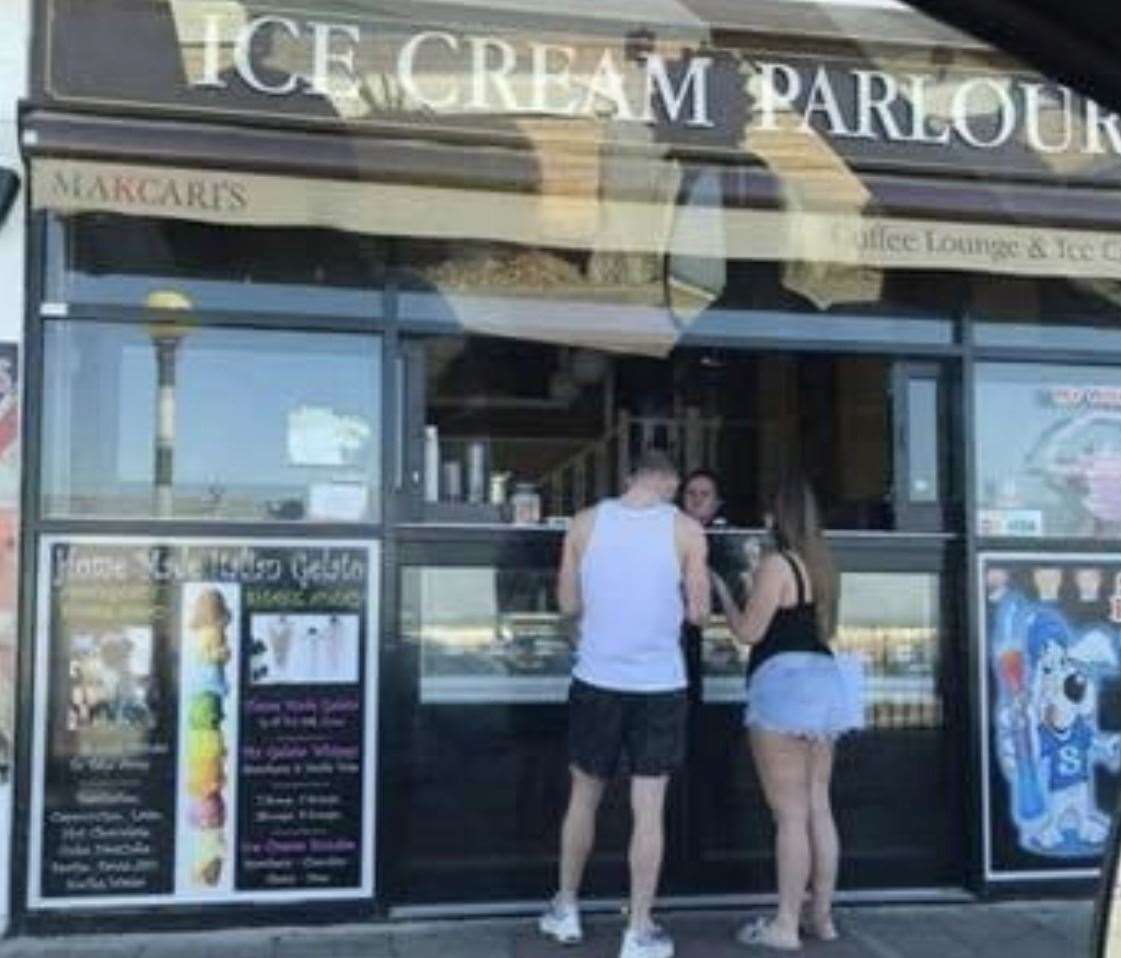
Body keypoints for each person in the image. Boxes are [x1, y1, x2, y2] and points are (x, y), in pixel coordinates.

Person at [539, 448, 710, 958]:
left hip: (597, 677)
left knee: (584, 797)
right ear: (670, 481)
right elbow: (698, 613)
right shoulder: (686, 530)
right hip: (659, 684)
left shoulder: (585, 523)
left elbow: (568, 604)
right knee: (648, 808)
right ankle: (638, 930)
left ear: (630, 476)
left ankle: (566, 909)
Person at [712, 474, 860, 951]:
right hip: (826, 680)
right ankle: (823, 918)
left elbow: (750, 632)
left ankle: (783, 924)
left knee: (790, 816)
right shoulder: (824, 564)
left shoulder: (776, 565)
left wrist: (723, 593)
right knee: (819, 804)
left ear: (778, 516)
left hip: (783, 684)